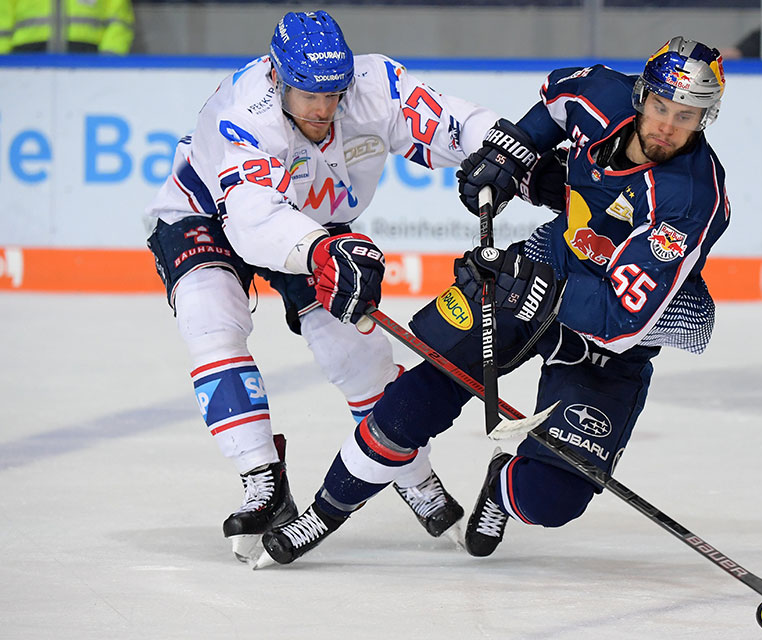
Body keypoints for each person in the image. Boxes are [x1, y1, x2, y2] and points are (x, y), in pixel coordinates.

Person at [256, 36, 731, 566]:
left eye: (686, 116)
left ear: (705, 119)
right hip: (546, 262)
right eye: (661, 106)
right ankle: (324, 511)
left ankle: (503, 485)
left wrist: (534, 285)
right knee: (426, 389)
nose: (667, 125)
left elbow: (622, 319)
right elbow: (554, 103)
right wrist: (514, 149)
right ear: (642, 93)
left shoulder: (691, 198)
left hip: (613, 332)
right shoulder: (601, 92)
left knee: (552, 499)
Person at [143, 10, 500, 562]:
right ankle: (263, 480)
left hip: (313, 223)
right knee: (209, 318)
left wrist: (511, 152)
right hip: (209, 212)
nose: (322, 109)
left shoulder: (373, 84)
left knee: (353, 347)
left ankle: (410, 471)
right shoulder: (245, 111)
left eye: (333, 94)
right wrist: (319, 248)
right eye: (307, 94)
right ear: (276, 76)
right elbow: (253, 215)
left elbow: (451, 122)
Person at [0, 0, 135, 54]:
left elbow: (119, 21)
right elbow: (3, 20)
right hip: (25, 57)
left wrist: (108, 61)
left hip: (88, 57)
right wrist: (5, 65)